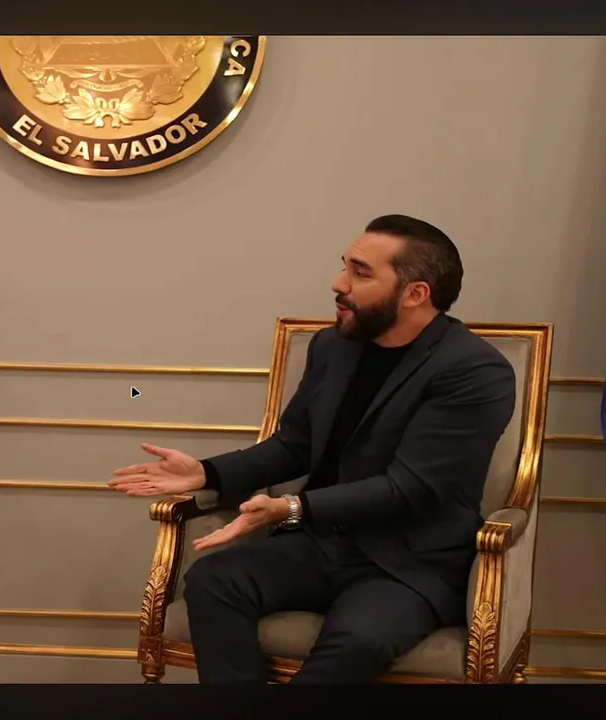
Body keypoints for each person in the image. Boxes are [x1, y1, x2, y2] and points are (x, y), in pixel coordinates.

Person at [109, 214, 516, 684]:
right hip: (321, 545)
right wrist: (206, 472)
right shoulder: (333, 347)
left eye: (360, 273)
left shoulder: (474, 371)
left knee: (358, 640)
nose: (338, 283)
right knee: (213, 581)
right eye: (345, 266)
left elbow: (411, 487)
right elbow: (294, 446)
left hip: (409, 562)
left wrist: (292, 508)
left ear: (415, 293)